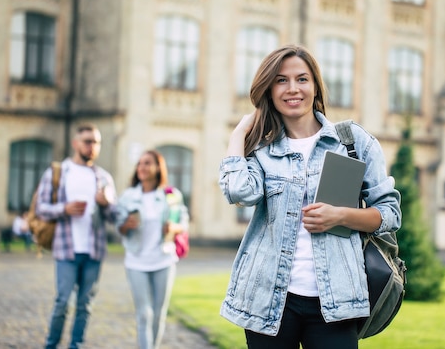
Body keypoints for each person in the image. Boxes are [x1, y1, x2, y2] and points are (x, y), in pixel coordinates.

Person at [218, 44, 402, 349]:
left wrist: (341, 216)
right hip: (269, 302)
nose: (293, 88)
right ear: (269, 90)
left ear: (315, 87)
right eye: (281, 80)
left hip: (336, 302)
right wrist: (239, 133)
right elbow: (239, 192)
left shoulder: (352, 142)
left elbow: (390, 214)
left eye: (302, 79)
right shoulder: (261, 150)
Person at [35, 123, 117, 349]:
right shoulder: (58, 172)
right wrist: (65, 208)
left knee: (85, 305)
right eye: (87, 141)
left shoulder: (104, 178)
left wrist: (107, 203)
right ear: (75, 143)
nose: (92, 146)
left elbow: (114, 217)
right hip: (66, 249)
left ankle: (76, 346)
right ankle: (51, 345)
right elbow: (40, 208)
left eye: (96, 142)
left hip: (94, 251)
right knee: (62, 302)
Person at [115, 150, 189, 349]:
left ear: (158, 167)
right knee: (144, 313)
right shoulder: (128, 196)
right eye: (140, 163)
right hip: (136, 261)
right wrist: (126, 225)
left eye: (147, 163)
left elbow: (183, 223)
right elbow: (118, 228)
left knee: (158, 314)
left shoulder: (171, 195)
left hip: (163, 260)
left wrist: (173, 228)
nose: (142, 167)